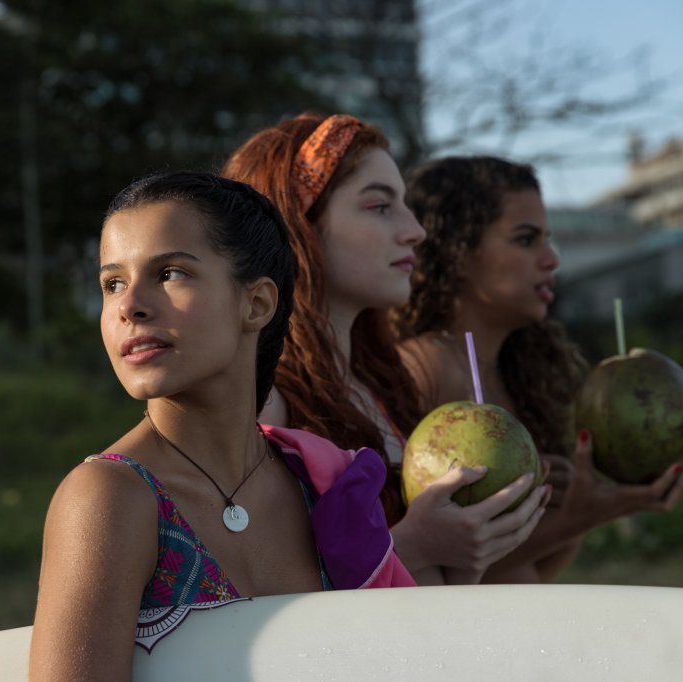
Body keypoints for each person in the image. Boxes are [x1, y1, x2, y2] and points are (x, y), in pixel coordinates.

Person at [29, 171, 413, 681]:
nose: (129, 306)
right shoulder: (110, 499)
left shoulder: (318, 484)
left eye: (170, 273)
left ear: (256, 304)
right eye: (112, 283)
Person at [222, 113, 549, 586]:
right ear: (296, 228)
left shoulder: (379, 386)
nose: (415, 230)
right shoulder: (264, 398)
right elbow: (252, 585)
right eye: (379, 206)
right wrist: (415, 545)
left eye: (406, 206)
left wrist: (467, 552)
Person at [393, 155, 683, 583]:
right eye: (526, 239)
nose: (551, 259)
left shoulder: (513, 378)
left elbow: (531, 574)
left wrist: (582, 511)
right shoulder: (425, 366)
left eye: (549, 241)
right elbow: (444, 573)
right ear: (457, 250)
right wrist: (584, 515)